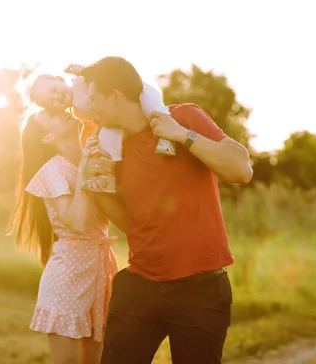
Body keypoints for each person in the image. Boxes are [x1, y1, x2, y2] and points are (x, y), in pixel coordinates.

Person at [78, 56, 254, 364]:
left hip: (200, 289)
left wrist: (184, 136)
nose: (90, 108)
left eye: (94, 99)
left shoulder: (183, 117)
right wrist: (96, 185)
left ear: (115, 96)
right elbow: (132, 225)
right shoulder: (110, 145)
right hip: (140, 284)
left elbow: (241, 170)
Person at [7, 107, 118, 364]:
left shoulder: (96, 157)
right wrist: (84, 175)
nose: (62, 112)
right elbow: (77, 223)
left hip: (100, 269)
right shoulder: (52, 171)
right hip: (68, 276)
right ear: (47, 138)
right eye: (52, 116)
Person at [21, 65, 175, 194]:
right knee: (107, 138)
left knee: (150, 101)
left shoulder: (80, 81)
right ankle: (107, 176)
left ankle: (166, 137)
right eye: (51, 102)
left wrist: (83, 70)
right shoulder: (77, 112)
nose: (56, 97)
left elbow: (101, 74)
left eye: (54, 90)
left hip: (132, 98)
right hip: (114, 122)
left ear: (60, 80)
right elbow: (93, 125)